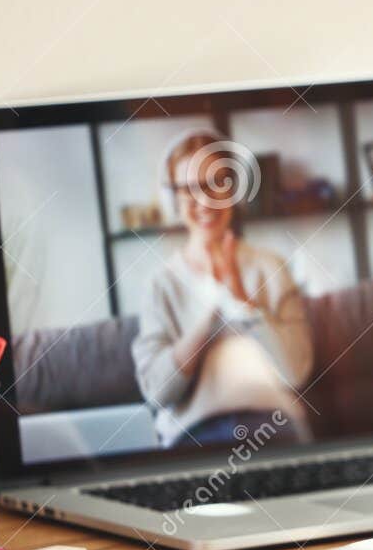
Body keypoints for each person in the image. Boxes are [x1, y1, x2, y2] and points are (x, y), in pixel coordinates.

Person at [132, 128, 315, 449]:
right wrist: (214, 310)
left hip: (274, 426)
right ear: (172, 198)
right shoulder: (160, 285)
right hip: (194, 433)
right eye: (189, 189)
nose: (204, 200)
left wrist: (244, 303)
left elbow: (296, 371)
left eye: (217, 184)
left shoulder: (271, 267)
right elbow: (157, 392)